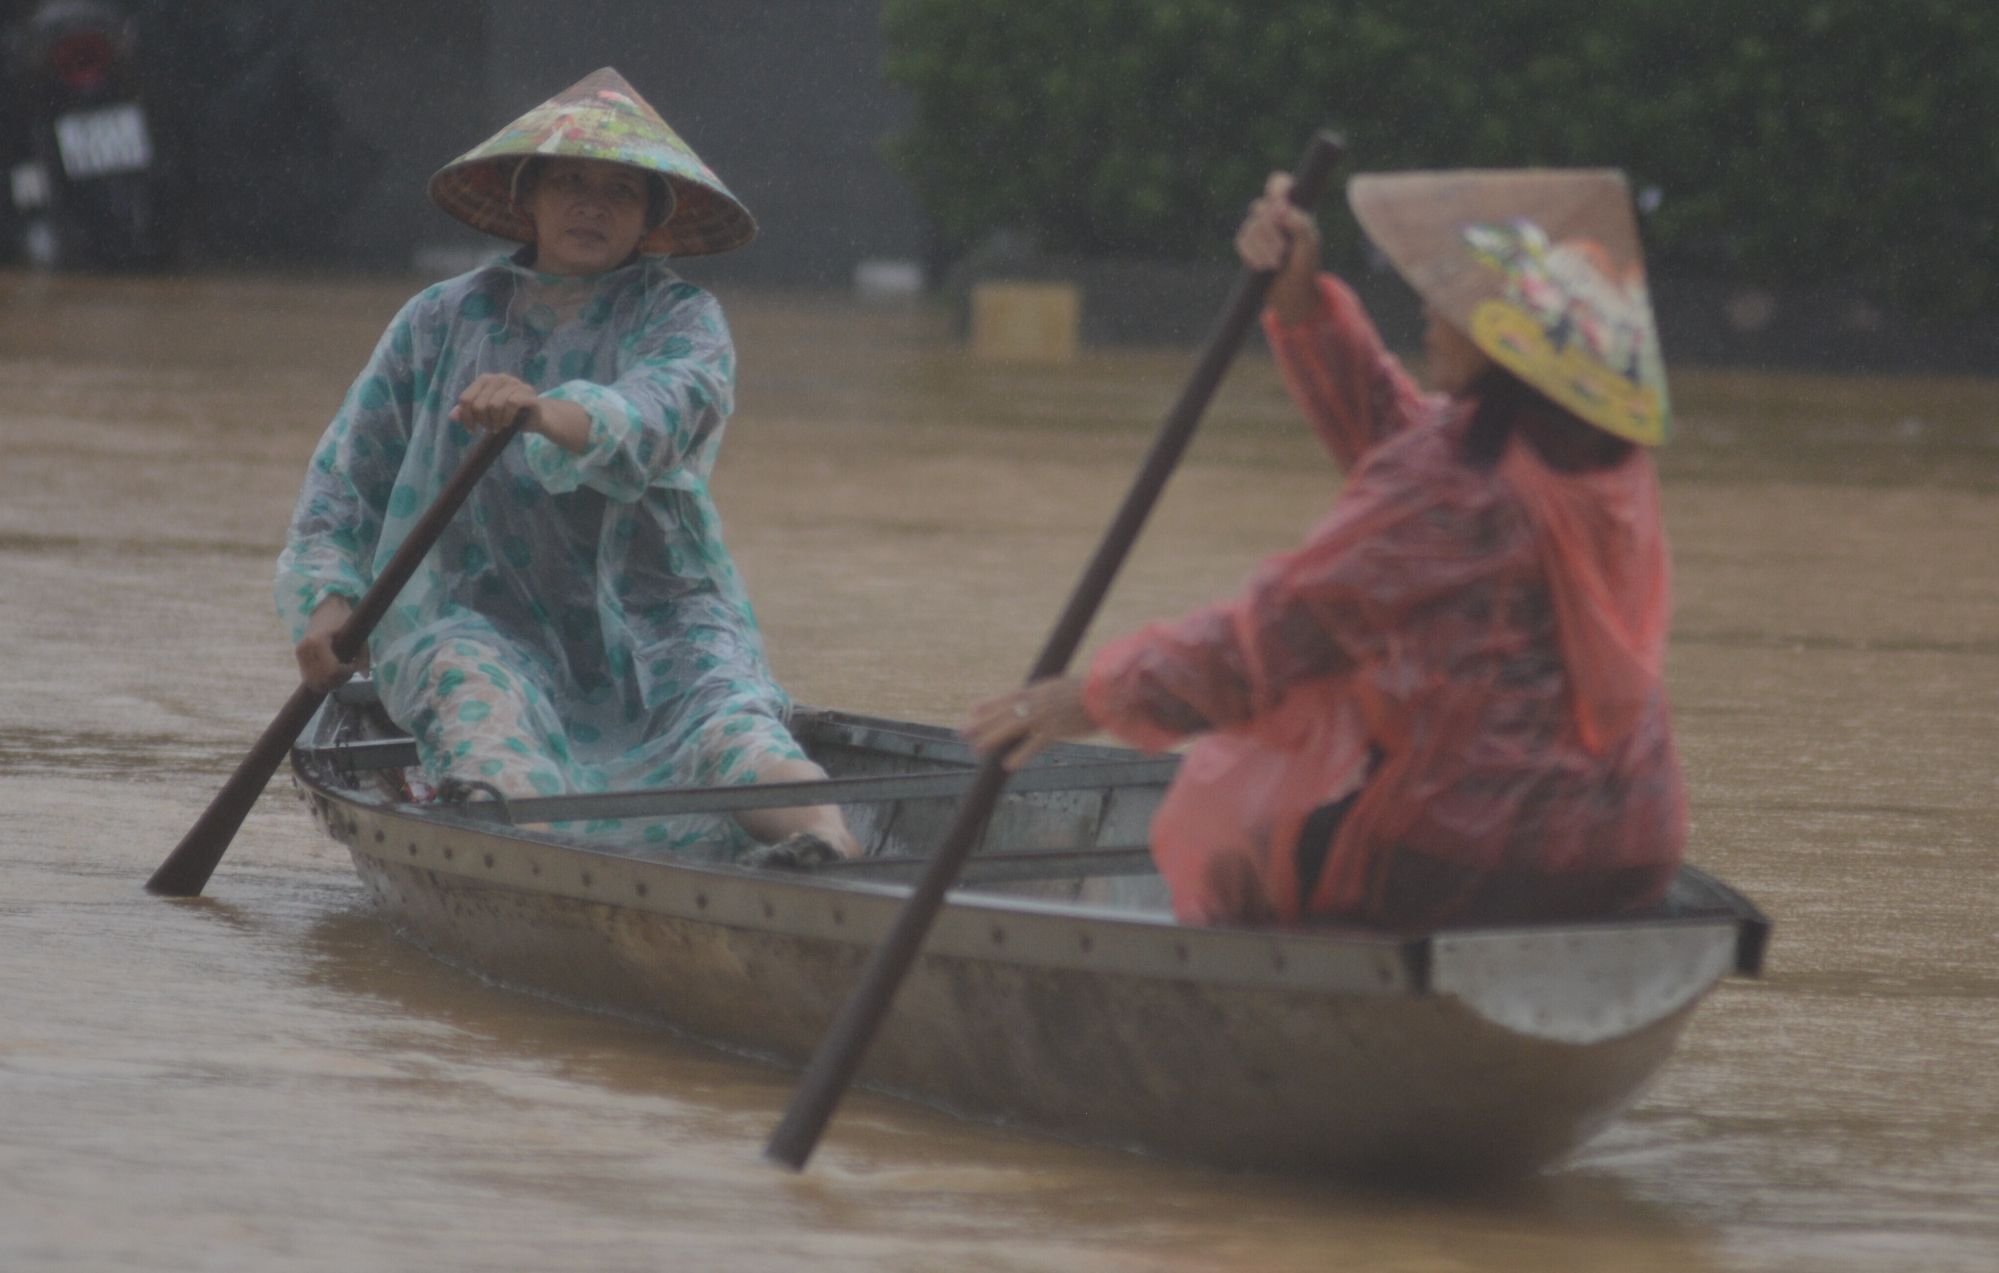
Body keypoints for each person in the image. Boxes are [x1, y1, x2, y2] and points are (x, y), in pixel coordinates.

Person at [964, 168, 1684, 930]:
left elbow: (1267, 643)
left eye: (1456, 304)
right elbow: (1403, 442)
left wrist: (1091, 697)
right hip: (1634, 837)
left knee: (1239, 844)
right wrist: (1299, 304)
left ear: (1509, 336)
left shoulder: (1451, 485)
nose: (1428, 312)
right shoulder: (1601, 460)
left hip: (1471, 856)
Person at [278, 68, 858, 862]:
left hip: (659, 615)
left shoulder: (680, 316)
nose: (592, 203)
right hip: (477, 617)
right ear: (529, 199)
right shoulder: (440, 319)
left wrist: (543, 411)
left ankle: (827, 847)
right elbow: (350, 481)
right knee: (480, 710)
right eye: (571, 182)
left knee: (734, 728)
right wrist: (326, 605)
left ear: (650, 217)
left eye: (620, 189)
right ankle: (532, 855)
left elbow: (664, 412)